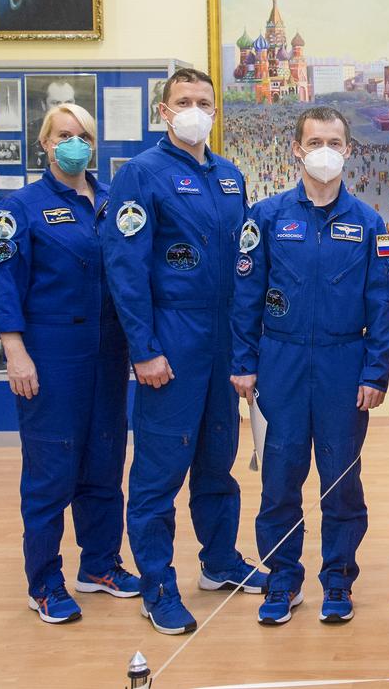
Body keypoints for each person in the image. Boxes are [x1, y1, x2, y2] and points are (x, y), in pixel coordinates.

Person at [101, 68, 265, 635]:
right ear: (164, 112)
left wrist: (245, 350)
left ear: (214, 110)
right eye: (183, 101)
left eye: (203, 101)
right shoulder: (141, 176)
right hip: (172, 340)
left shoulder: (230, 176)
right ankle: (157, 586)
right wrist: (143, 350)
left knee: (217, 463)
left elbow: (245, 269)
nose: (194, 109)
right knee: (159, 472)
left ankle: (218, 562)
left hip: (222, 344)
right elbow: (125, 269)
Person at [231, 107, 389, 626]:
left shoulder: (370, 226)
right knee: (280, 478)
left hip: (343, 369)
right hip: (279, 365)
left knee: (340, 481)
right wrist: (244, 362)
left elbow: (382, 305)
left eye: (334, 142)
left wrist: (375, 373)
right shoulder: (267, 217)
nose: (324, 150)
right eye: (314, 141)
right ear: (297, 149)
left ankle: (338, 581)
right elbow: (246, 295)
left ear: (347, 151)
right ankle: (281, 580)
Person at [0, 102, 138, 623]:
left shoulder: (115, 203)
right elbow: (2, 281)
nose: (75, 144)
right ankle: (44, 581)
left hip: (109, 352)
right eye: (64, 135)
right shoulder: (19, 207)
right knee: (52, 470)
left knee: (104, 461)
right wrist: (15, 350)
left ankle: (99, 565)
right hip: (50, 355)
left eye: (84, 136)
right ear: (45, 143)